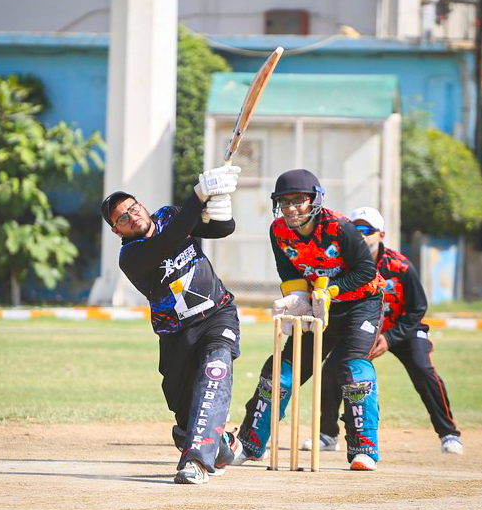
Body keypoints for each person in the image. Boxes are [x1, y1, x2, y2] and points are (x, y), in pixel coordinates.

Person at [232, 169, 386, 471]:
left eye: (298, 201)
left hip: (360, 303)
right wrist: (297, 298)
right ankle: (250, 444)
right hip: (318, 304)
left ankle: (364, 450)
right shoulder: (278, 231)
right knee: (280, 372)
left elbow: (366, 271)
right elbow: (289, 270)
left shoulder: (340, 228)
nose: (291, 209)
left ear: (314, 200)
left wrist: (330, 290)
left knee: (354, 369)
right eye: (284, 202)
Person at [101, 164, 244, 484]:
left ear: (142, 205)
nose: (131, 216)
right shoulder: (131, 256)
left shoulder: (170, 215)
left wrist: (220, 202)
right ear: (117, 231)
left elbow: (222, 229)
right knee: (185, 414)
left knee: (215, 370)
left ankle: (196, 462)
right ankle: (218, 445)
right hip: (176, 334)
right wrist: (199, 193)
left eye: (133, 208)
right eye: (122, 218)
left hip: (216, 314)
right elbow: (169, 241)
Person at [301, 206, 463, 455]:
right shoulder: (340, 264)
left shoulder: (400, 266)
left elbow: (418, 308)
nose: (361, 235)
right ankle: (328, 434)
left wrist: (389, 338)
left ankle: (449, 434)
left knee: (422, 369)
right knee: (332, 370)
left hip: (400, 329)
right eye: (355, 229)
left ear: (381, 235)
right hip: (360, 329)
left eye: (367, 230)